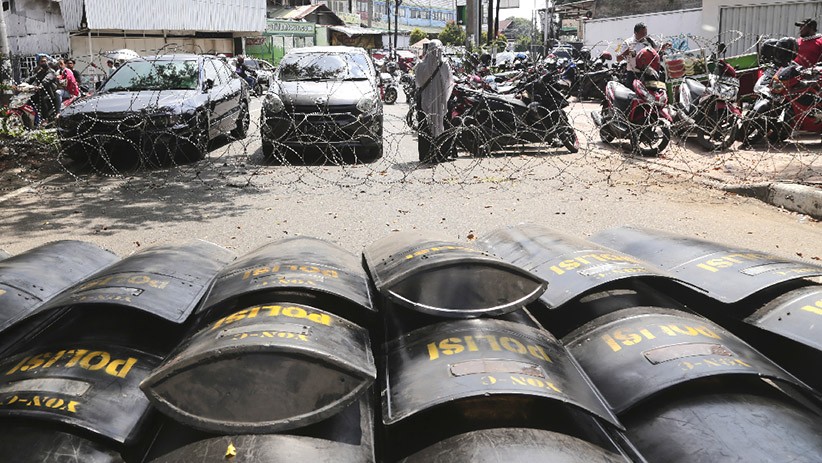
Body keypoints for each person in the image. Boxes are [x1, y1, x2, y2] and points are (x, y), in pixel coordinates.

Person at [414, 39, 454, 164]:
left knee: (425, 128)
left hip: (425, 101)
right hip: (441, 101)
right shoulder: (444, 65)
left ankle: (425, 155)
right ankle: (440, 154)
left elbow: (418, 83)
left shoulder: (421, 65)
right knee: (441, 126)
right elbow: (448, 83)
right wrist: (444, 99)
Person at [617, 22, 669, 87]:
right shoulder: (628, 43)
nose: (645, 35)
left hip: (648, 73)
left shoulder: (649, 40)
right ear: (636, 33)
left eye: (645, 33)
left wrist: (665, 46)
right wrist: (626, 52)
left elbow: (659, 48)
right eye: (642, 33)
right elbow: (618, 58)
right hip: (634, 74)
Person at [24, 55, 59, 126]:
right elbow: (32, 78)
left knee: (43, 99)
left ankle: (45, 118)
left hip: (49, 92)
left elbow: (46, 80)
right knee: (29, 100)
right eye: (42, 61)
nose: (43, 63)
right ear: (39, 63)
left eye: (45, 61)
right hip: (39, 91)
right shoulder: (40, 72)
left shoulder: (51, 71)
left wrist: (39, 86)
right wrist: (24, 83)